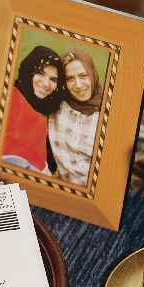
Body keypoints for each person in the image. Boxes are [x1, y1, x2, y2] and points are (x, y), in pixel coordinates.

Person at [1, 46, 65, 174]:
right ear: (29, 71)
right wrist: (41, 167)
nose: (46, 83)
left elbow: (49, 156)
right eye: (41, 73)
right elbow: (4, 141)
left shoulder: (48, 108)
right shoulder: (13, 94)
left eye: (53, 80)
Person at [48, 47, 103, 187]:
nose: (78, 85)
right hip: (62, 190)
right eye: (70, 78)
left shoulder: (109, 115)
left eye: (83, 76)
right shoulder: (55, 107)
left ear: (92, 73)